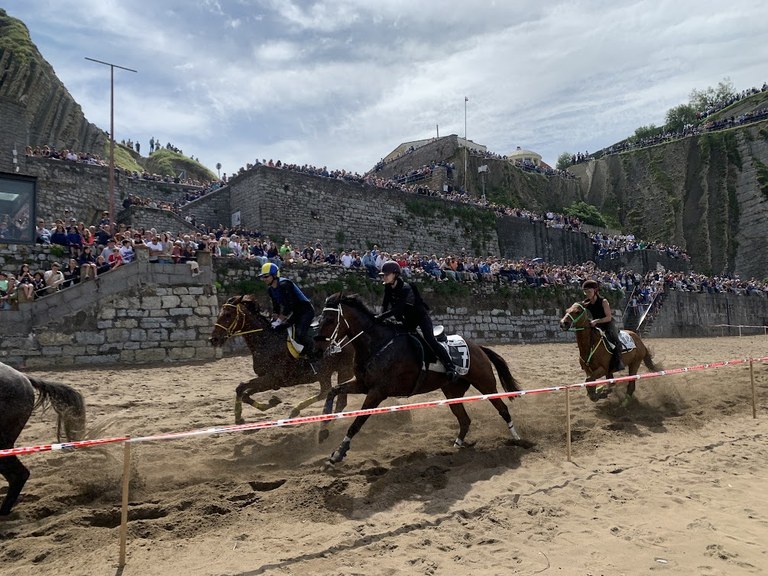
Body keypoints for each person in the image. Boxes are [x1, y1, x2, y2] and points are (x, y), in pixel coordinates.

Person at [375, 260, 458, 382]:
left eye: (387, 274)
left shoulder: (405, 288)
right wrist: (379, 316)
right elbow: (385, 304)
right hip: (408, 319)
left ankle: (450, 367)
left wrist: (381, 317)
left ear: (395, 274)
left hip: (420, 317)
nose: (384, 277)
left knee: (430, 339)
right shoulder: (388, 287)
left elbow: (397, 309)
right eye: (384, 275)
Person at [258, 262, 317, 359]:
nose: (264, 279)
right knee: (279, 329)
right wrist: (274, 319)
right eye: (263, 277)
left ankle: (312, 353)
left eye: (266, 276)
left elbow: (290, 305)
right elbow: (276, 306)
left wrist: (279, 320)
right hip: (295, 312)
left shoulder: (285, 284)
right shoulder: (270, 289)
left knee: (299, 333)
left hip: (305, 310)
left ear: (274, 275)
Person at [581, 279, 625, 371]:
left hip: (608, 324)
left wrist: (596, 321)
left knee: (616, 342)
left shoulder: (603, 301)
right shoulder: (585, 303)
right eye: (585, 292)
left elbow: (608, 317)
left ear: (595, 291)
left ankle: (618, 363)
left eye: (589, 292)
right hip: (596, 324)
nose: (587, 294)